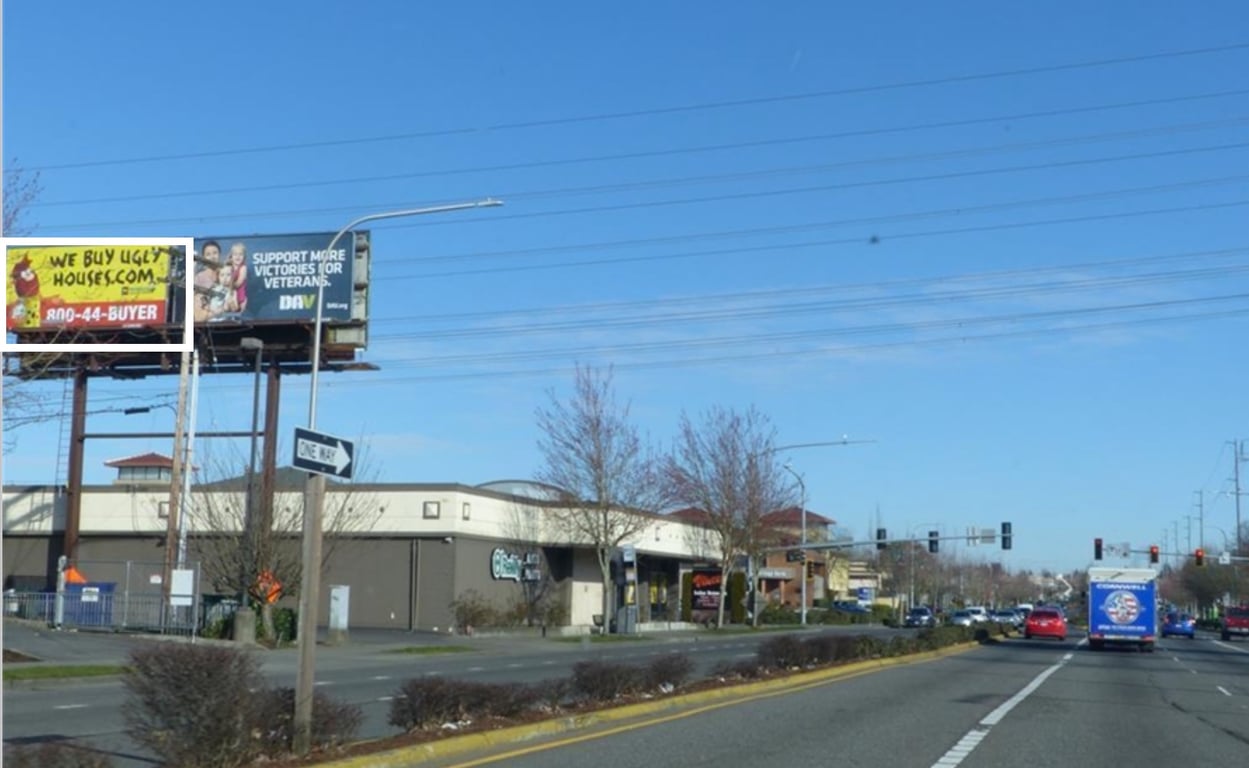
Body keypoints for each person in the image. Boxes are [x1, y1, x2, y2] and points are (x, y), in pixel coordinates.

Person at [193, 241, 222, 323]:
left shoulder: (226, 274)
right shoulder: (199, 278)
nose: (212, 257)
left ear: (219, 254)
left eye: (215, 253)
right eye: (208, 254)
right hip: (205, 322)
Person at [227, 242, 248, 314]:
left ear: (244, 257)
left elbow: (239, 282)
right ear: (231, 256)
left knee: (239, 315)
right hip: (230, 295)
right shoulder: (229, 267)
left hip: (241, 295)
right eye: (235, 254)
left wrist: (229, 285)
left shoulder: (243, 267)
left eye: (240, 254)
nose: (238, 257)